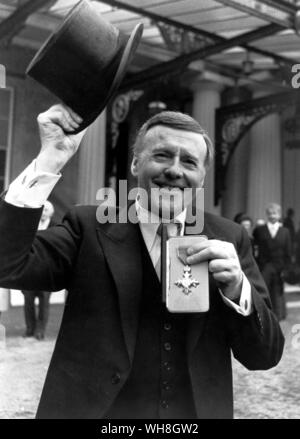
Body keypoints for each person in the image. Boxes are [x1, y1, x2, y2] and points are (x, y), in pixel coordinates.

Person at [0, 105, 284, 419]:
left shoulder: (229, 238)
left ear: (202, 179)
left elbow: (265, 355)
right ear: (136, 163)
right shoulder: (89, 227)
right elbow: (7, 265)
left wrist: (238, 290)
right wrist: (50, 158)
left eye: (189, 161)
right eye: (162, 155)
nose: (175, 170)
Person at [22, 200, 55, 340]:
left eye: (46, 210)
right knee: (28, 301)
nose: (43, 212)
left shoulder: (55, 227)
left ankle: (40, 331)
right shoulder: (29, 225)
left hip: (46, 271)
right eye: (42, 209)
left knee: (44, 303)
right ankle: (30, 329)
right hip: (29, 270)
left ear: (51, 213)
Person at [253, 203, 291, 321]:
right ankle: (264, 315)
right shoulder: (260, 230)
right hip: (265, 266)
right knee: (264, 290)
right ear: (267, 215)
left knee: (277, 291)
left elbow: (288, 251)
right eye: (270, 214)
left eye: (275, 213)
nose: (272, 216)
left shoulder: (285, 231)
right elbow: (255, 247)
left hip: (279, 266)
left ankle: (278, 316)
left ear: (279, 215)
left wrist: (286, 268)